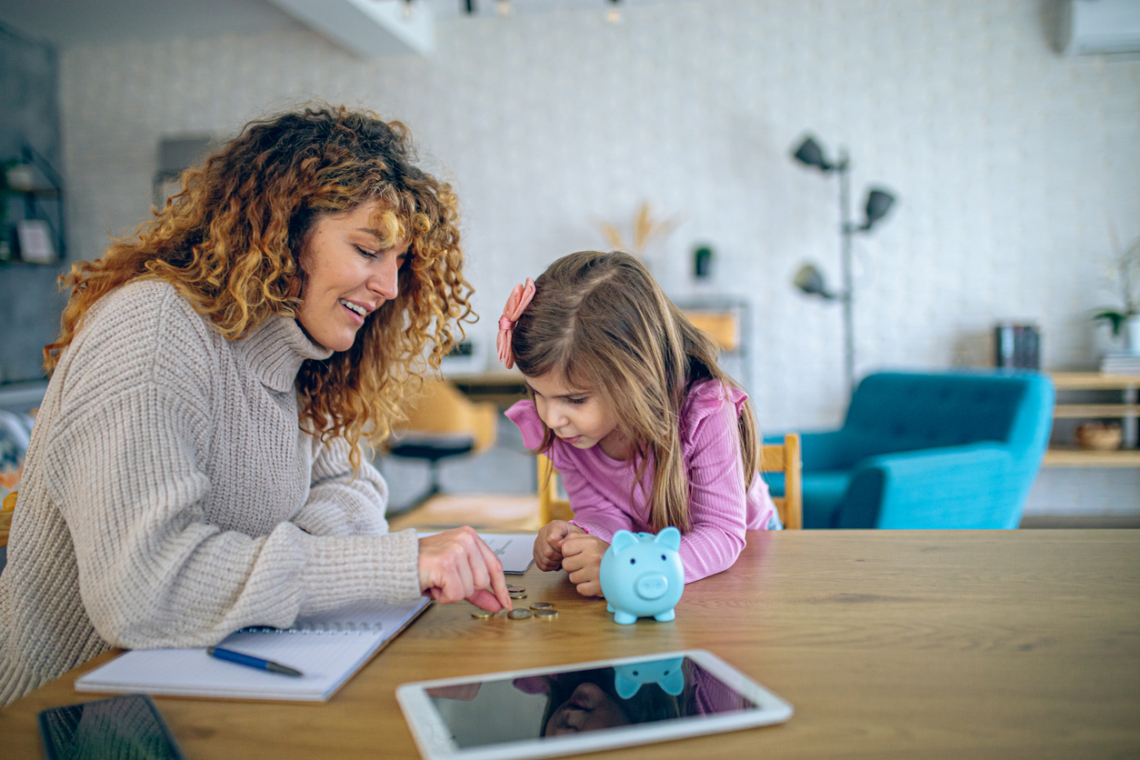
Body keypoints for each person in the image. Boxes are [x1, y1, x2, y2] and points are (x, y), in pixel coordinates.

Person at [0, 106, 511, 708]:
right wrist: (387, 565)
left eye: (398, 263)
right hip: (68, 714)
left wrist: (250, 569)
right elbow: (143, 589)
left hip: (198, 685)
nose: (390, 287)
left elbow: (357, 492)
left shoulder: (299, 356)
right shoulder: (155, 330)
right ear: (284, 230)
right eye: (368, 249)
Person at [498, 251, 779, 597]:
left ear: (637, 378)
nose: (552, 419)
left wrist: (623, 565)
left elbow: (720, 535)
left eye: (575, 399)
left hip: (742, 558)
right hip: (657, 569)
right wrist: (582, 538)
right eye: (539, 394)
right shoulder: (573, 433)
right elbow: (603, 512)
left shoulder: (705, 411)